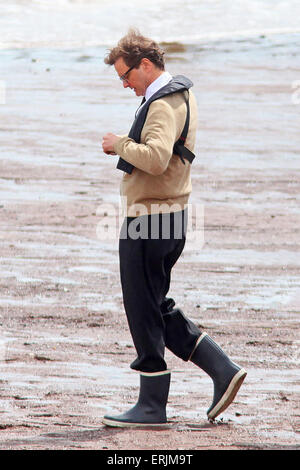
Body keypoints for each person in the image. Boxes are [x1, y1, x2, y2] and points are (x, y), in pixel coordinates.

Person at [101, 29, 246, 428]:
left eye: (126, 76)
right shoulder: (181, 94)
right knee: (154, 304)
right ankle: (222, 369)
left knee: (142, 307)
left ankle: (152, 406)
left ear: (145, 65)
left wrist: (119, 143)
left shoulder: (163, 104)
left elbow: (156, 157)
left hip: (149, 220)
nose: (125, 84)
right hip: (170, 217)